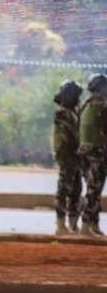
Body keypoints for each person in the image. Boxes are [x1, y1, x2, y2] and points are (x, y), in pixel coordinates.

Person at [52, 80, 84, 234]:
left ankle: (72, 224)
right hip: (67, 155)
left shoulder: (72, 112)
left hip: (75, 156)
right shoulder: (62, 112)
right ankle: (60, 225)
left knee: (76, 189)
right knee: (64, 189)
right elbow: (72, 134)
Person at [77, 73, 107, 236]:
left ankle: (93, 224)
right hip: (97, 153)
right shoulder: (102, 105)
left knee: (92, 188)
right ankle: (86, 225)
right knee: (94, 190)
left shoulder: (86, 104)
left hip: (84, 153)